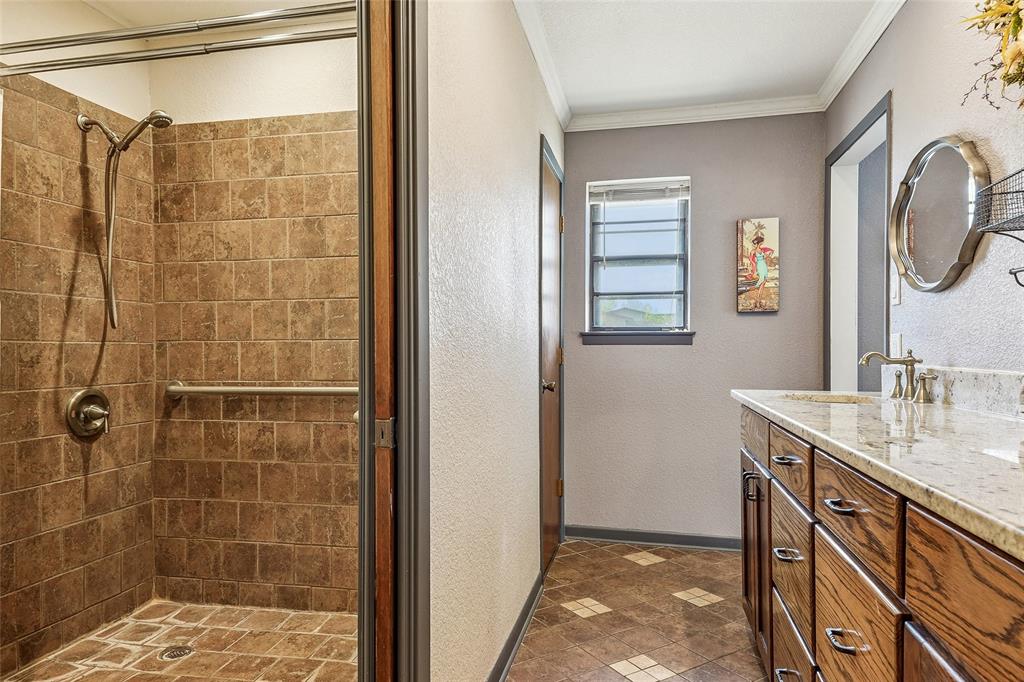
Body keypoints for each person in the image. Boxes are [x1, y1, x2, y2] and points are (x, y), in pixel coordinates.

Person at [748, 234, 775, 310]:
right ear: (760, 242)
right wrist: (754, 270)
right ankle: (757, 299)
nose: (763, 243)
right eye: (762, 242)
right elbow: (752, 261)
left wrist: (769, 254)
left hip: (764, 266)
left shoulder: (762, 250)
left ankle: (758, 301)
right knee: (761, 281)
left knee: (763, 284)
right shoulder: (753, 251)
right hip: (759, 266)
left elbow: (768, 255)